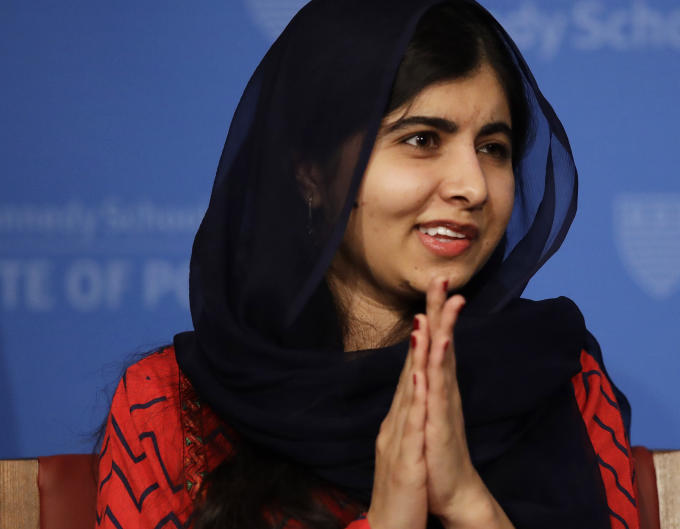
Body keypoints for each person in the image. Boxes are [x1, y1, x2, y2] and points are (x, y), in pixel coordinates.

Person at [95, 1, 639, 528]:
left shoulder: (556, 376)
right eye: (423, 140)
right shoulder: (168, 405)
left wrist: (470, 505)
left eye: (493, 148)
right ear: (311, 170)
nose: (473, 186)